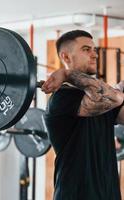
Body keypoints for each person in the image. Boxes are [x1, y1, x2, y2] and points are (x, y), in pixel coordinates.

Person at [41, 30, 124, 200]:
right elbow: (115, 97)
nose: (94, 55)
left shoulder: (100, 99)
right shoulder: (62, 98)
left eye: (94, 50)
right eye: (86, 49)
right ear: (66, 57)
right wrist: (66, 74)